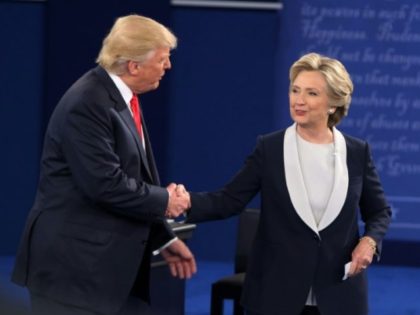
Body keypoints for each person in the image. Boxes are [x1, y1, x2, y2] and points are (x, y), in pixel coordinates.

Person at [171, 53, 392, 315]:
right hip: (276, 294)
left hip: (339, 295)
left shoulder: (357, 152)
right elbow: (229, 200)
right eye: (295, 90)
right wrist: (186, 203)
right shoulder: (270, 148)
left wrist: (370, 242)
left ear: (333, 104)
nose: (299, 100)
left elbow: (379, 212)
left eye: (311, 93)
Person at [11, 14, 195, 315]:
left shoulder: (120, 98)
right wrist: (167, 202)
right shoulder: (87, 103)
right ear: (134, 66)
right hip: (73, 274)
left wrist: (161, 237)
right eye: (162, 59)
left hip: (107, 271)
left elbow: (133, 174)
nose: (168, 66)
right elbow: (105, 185)